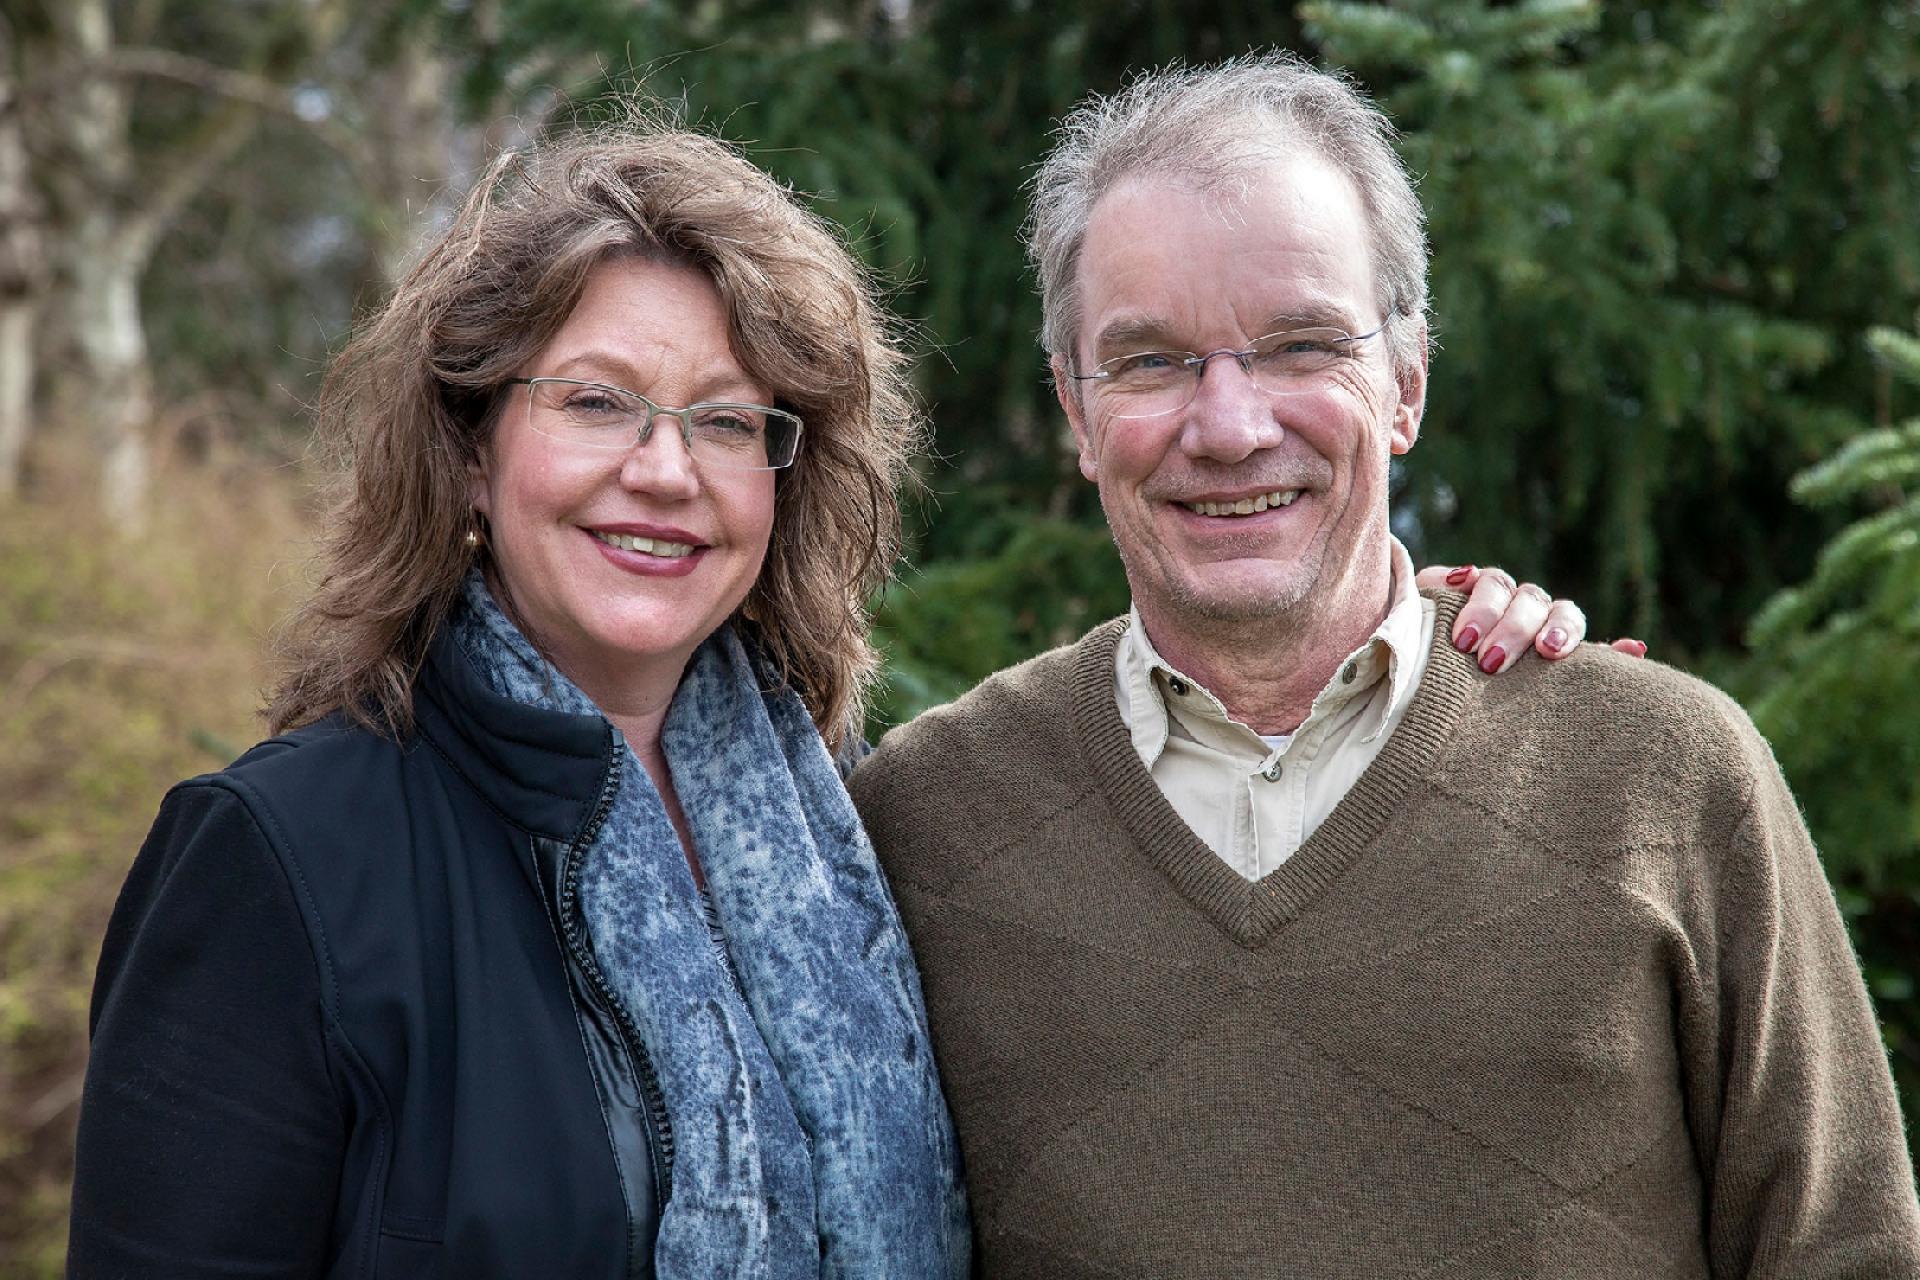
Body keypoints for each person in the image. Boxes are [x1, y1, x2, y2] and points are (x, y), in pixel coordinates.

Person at [67, 105, 1588, 1277]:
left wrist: (1422, 631)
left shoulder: (859, 831)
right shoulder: (282, 857)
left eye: (730, 421)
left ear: (788, 485)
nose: (662, 472)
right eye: (596, 401)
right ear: (470, 447)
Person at [848, 53, 1920, 1278]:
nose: (1232, 425)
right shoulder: (928, 818)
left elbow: (1848, 1250)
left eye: (1302, 345)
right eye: (1152, 361)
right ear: (1076, 410)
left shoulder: (1663, 776)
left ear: (1404, 383)